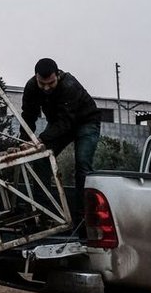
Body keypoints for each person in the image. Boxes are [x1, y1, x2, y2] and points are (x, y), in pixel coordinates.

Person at [20, 57, 101, 227]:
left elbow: (66, 122)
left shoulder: (69, 85)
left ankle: (84, 218)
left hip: (85, 122)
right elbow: (28, 115)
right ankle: (43, 214)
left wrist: (41, 139)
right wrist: (25, 141)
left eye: (51, 83)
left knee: (82, 164)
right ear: (36, 78)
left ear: (58, 75)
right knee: (41, 157)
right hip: (59, 124)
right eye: (43, 84)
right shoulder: (31, 87)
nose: (47, 88)